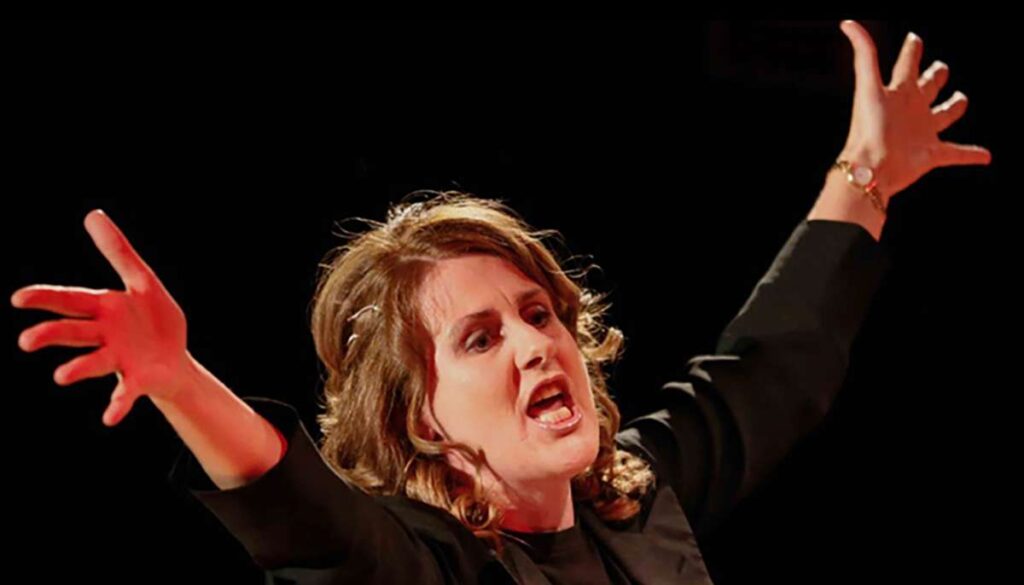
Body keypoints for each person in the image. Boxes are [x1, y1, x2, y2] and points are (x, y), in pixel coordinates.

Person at [10, 21, 991, 584]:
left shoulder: (630, 497)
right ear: (420, 419)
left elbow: (772, 366)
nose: (536, 344)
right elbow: (304, 516)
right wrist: (180, 380)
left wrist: (867, 174)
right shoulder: (428, 565)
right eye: (479, 339)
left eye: (538, 313)